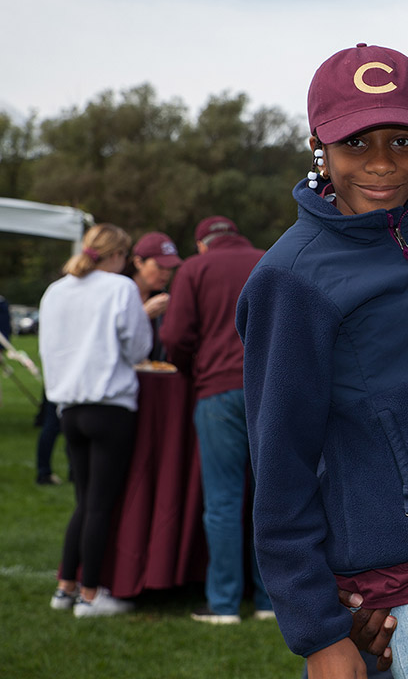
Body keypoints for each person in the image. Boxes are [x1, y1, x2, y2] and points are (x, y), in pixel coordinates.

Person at [236, 43, 408, 678]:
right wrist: (319, 635)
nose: (383, 165)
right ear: (318, 148)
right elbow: (279, 465)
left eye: (402, 141)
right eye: (357, 145)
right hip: (392, 580)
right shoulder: (292, 277)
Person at [159, 215, 270, 624]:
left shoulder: (195, 267)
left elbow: (174, 336)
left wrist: (191, 370)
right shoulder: (268, 259)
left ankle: (223, 604)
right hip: (269, 390)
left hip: (217, 391)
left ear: (203, 243)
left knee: (222, 501)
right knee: (271, 498)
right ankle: (270, 601)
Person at [38, 223, 152, 616]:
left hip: (69, 407)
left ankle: (65, 586)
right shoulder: (120, 288)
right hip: (110, 406)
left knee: (83, 501)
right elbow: (138, 347)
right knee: (99, 504)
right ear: (119, 256)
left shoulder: (56, 290)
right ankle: (90, 594)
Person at [128, 231, 182, 359]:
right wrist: (144, 314)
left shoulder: (164, 298)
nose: (166, 273)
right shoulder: (119, 293)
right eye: (160, 266)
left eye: (170, 268)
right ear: (138, 262)